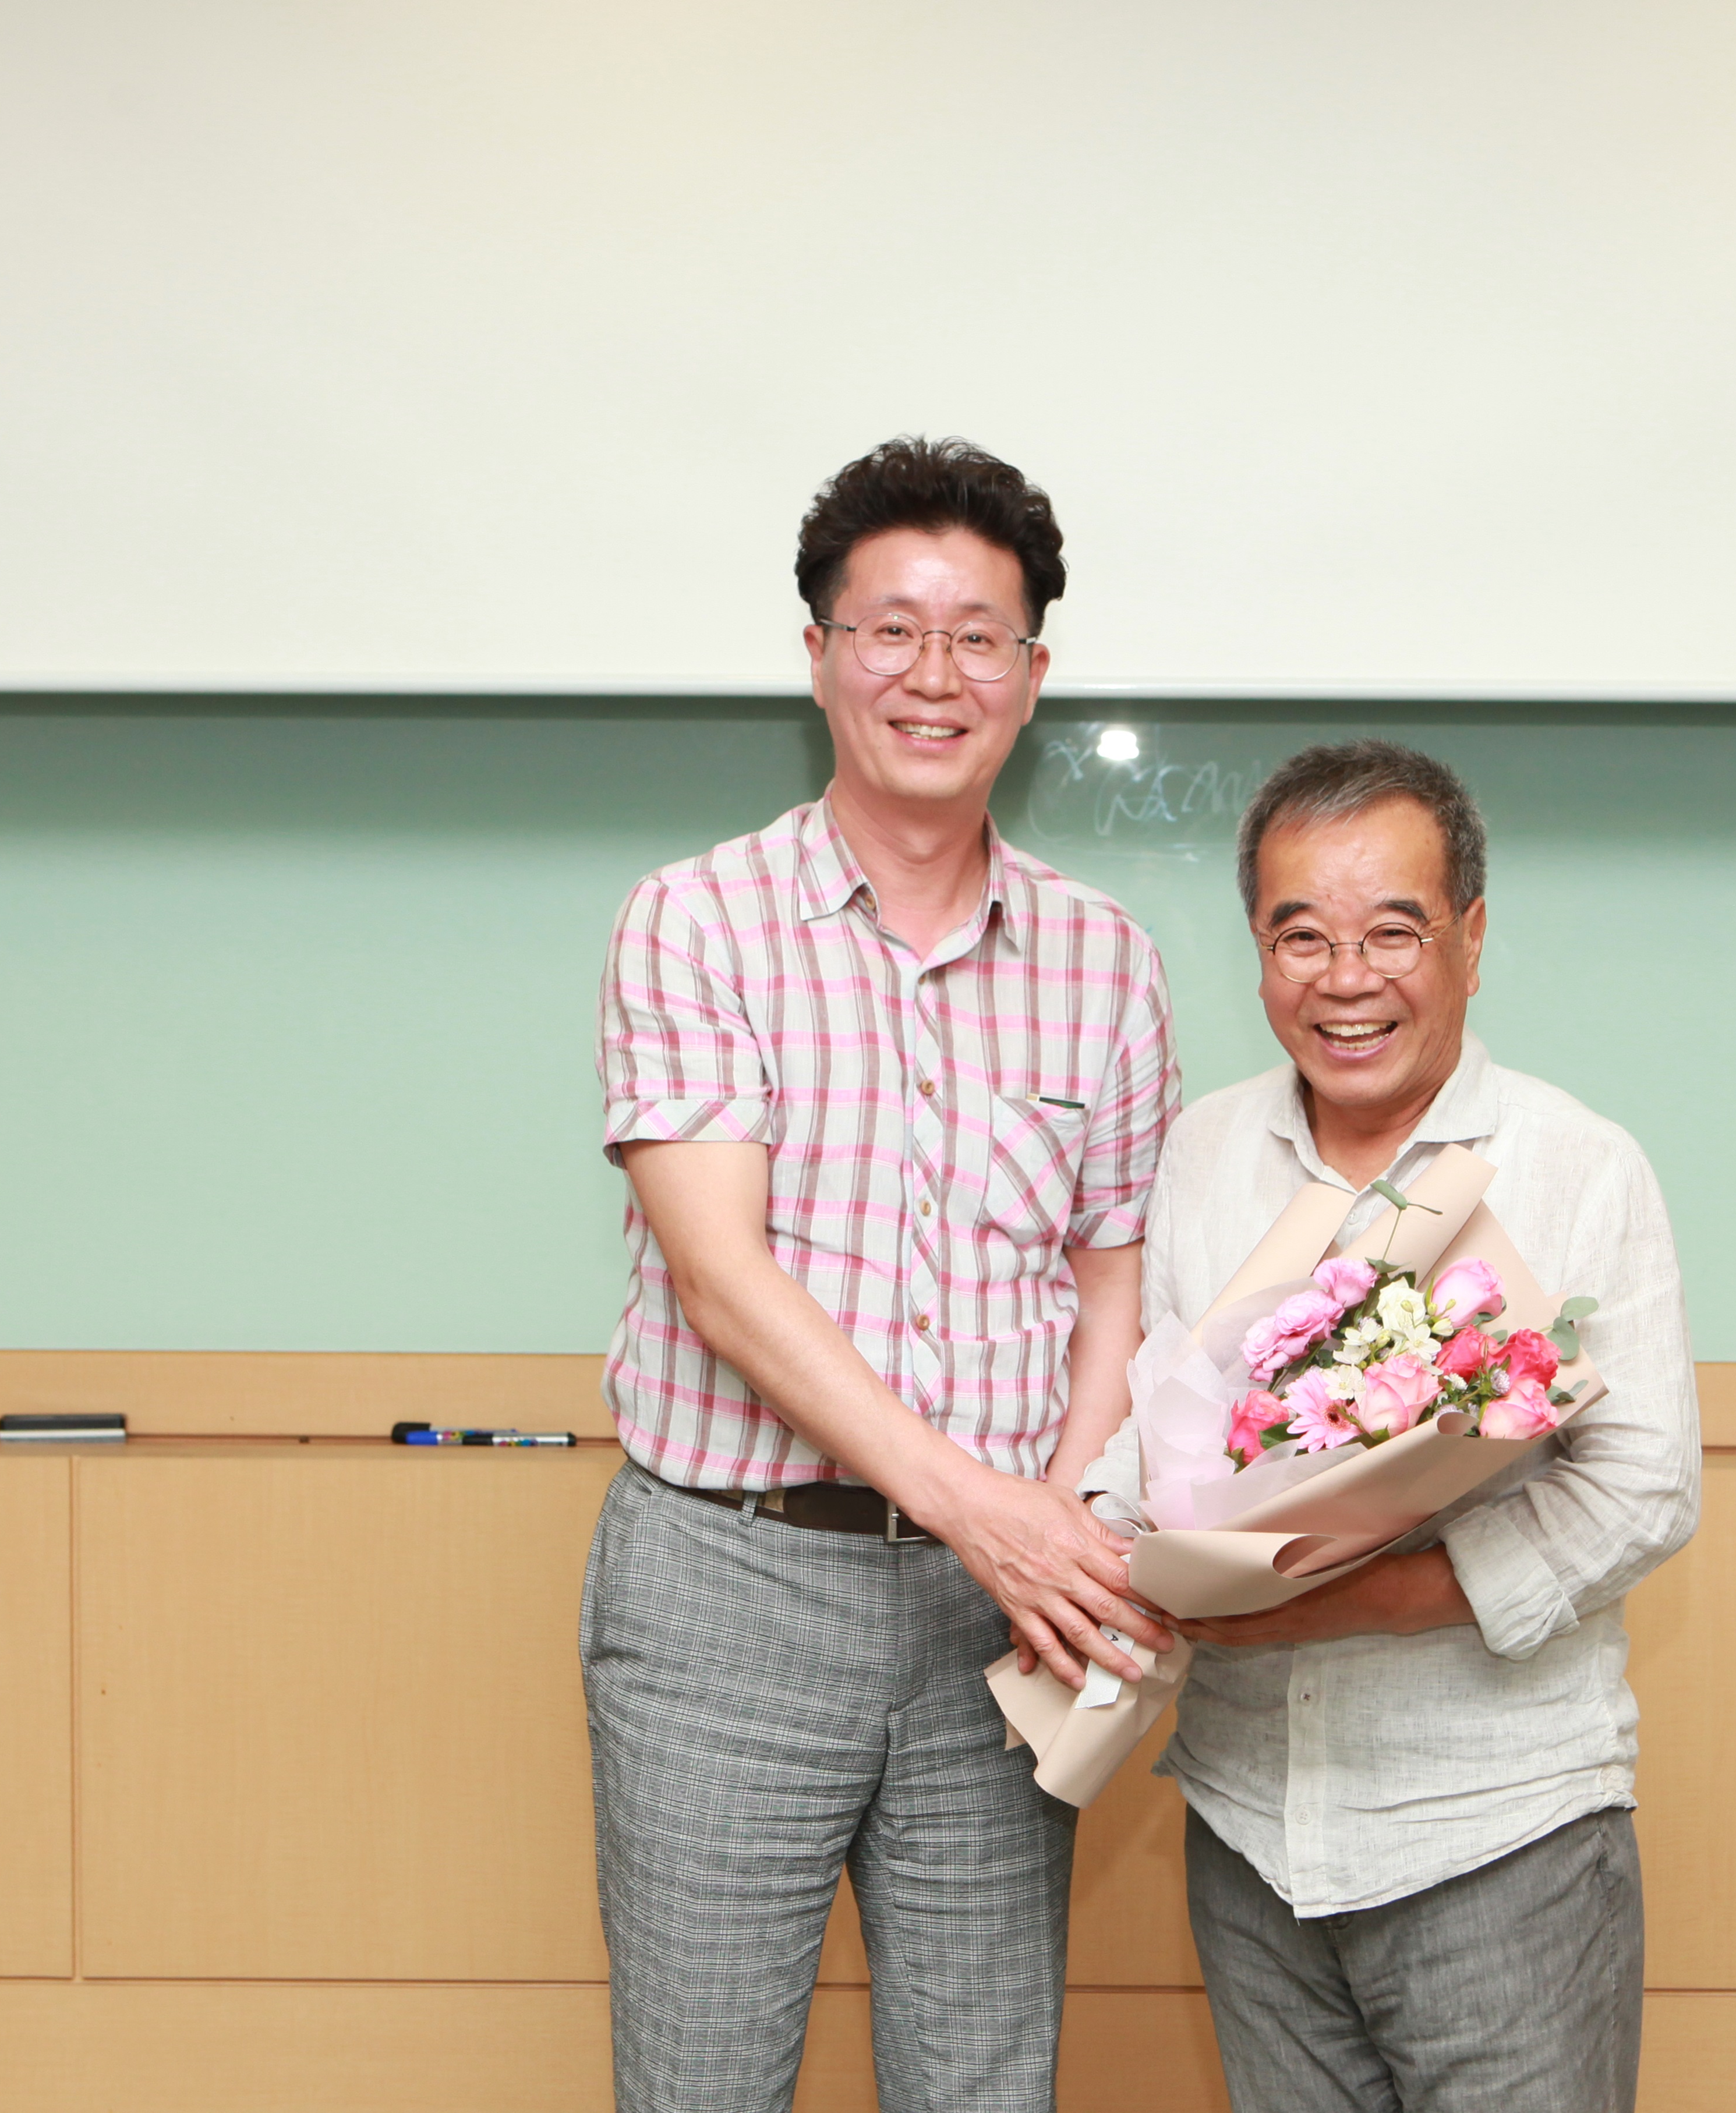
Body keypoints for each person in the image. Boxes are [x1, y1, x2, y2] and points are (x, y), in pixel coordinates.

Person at [582, 436, 1181, 2113]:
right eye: (893, 629)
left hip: (1000, 1619)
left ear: (1033, 677)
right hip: (730, 1585)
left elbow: (1113, 1285)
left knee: (982, 2083)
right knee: (700, 2083)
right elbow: (721, 1278)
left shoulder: (1107, 960)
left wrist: (1059, 1535)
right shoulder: (693, 923)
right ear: (820, 656)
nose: (935, 674)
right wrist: (989, 1508)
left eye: (979, 636)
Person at [1086, 739, 1699, 2113]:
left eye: (1393, 933)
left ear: (1471, 941)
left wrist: (1354, 1598)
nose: (1345, 978)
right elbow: (1152, 1416)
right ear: (1258, 952)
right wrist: (1101, 1556)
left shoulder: (1576, 1164)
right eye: (1301, 936)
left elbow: (1646, 1486)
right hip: (1248, 1834)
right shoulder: (1201, 1152)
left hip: (1499, 1836)